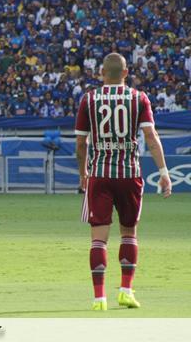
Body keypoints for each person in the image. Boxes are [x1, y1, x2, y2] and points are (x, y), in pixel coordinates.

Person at [75, 53, 172, 311]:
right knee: (129, 233)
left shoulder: (89, 99)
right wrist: (163, 172)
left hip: (99, 175)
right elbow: (151, 136)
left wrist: (83, 173)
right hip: (129, 174)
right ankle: (126, 291)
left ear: (101, 73)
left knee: (98, 238)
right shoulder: (139, 98)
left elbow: (81, 143)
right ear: (126, 73)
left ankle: (99, 298)